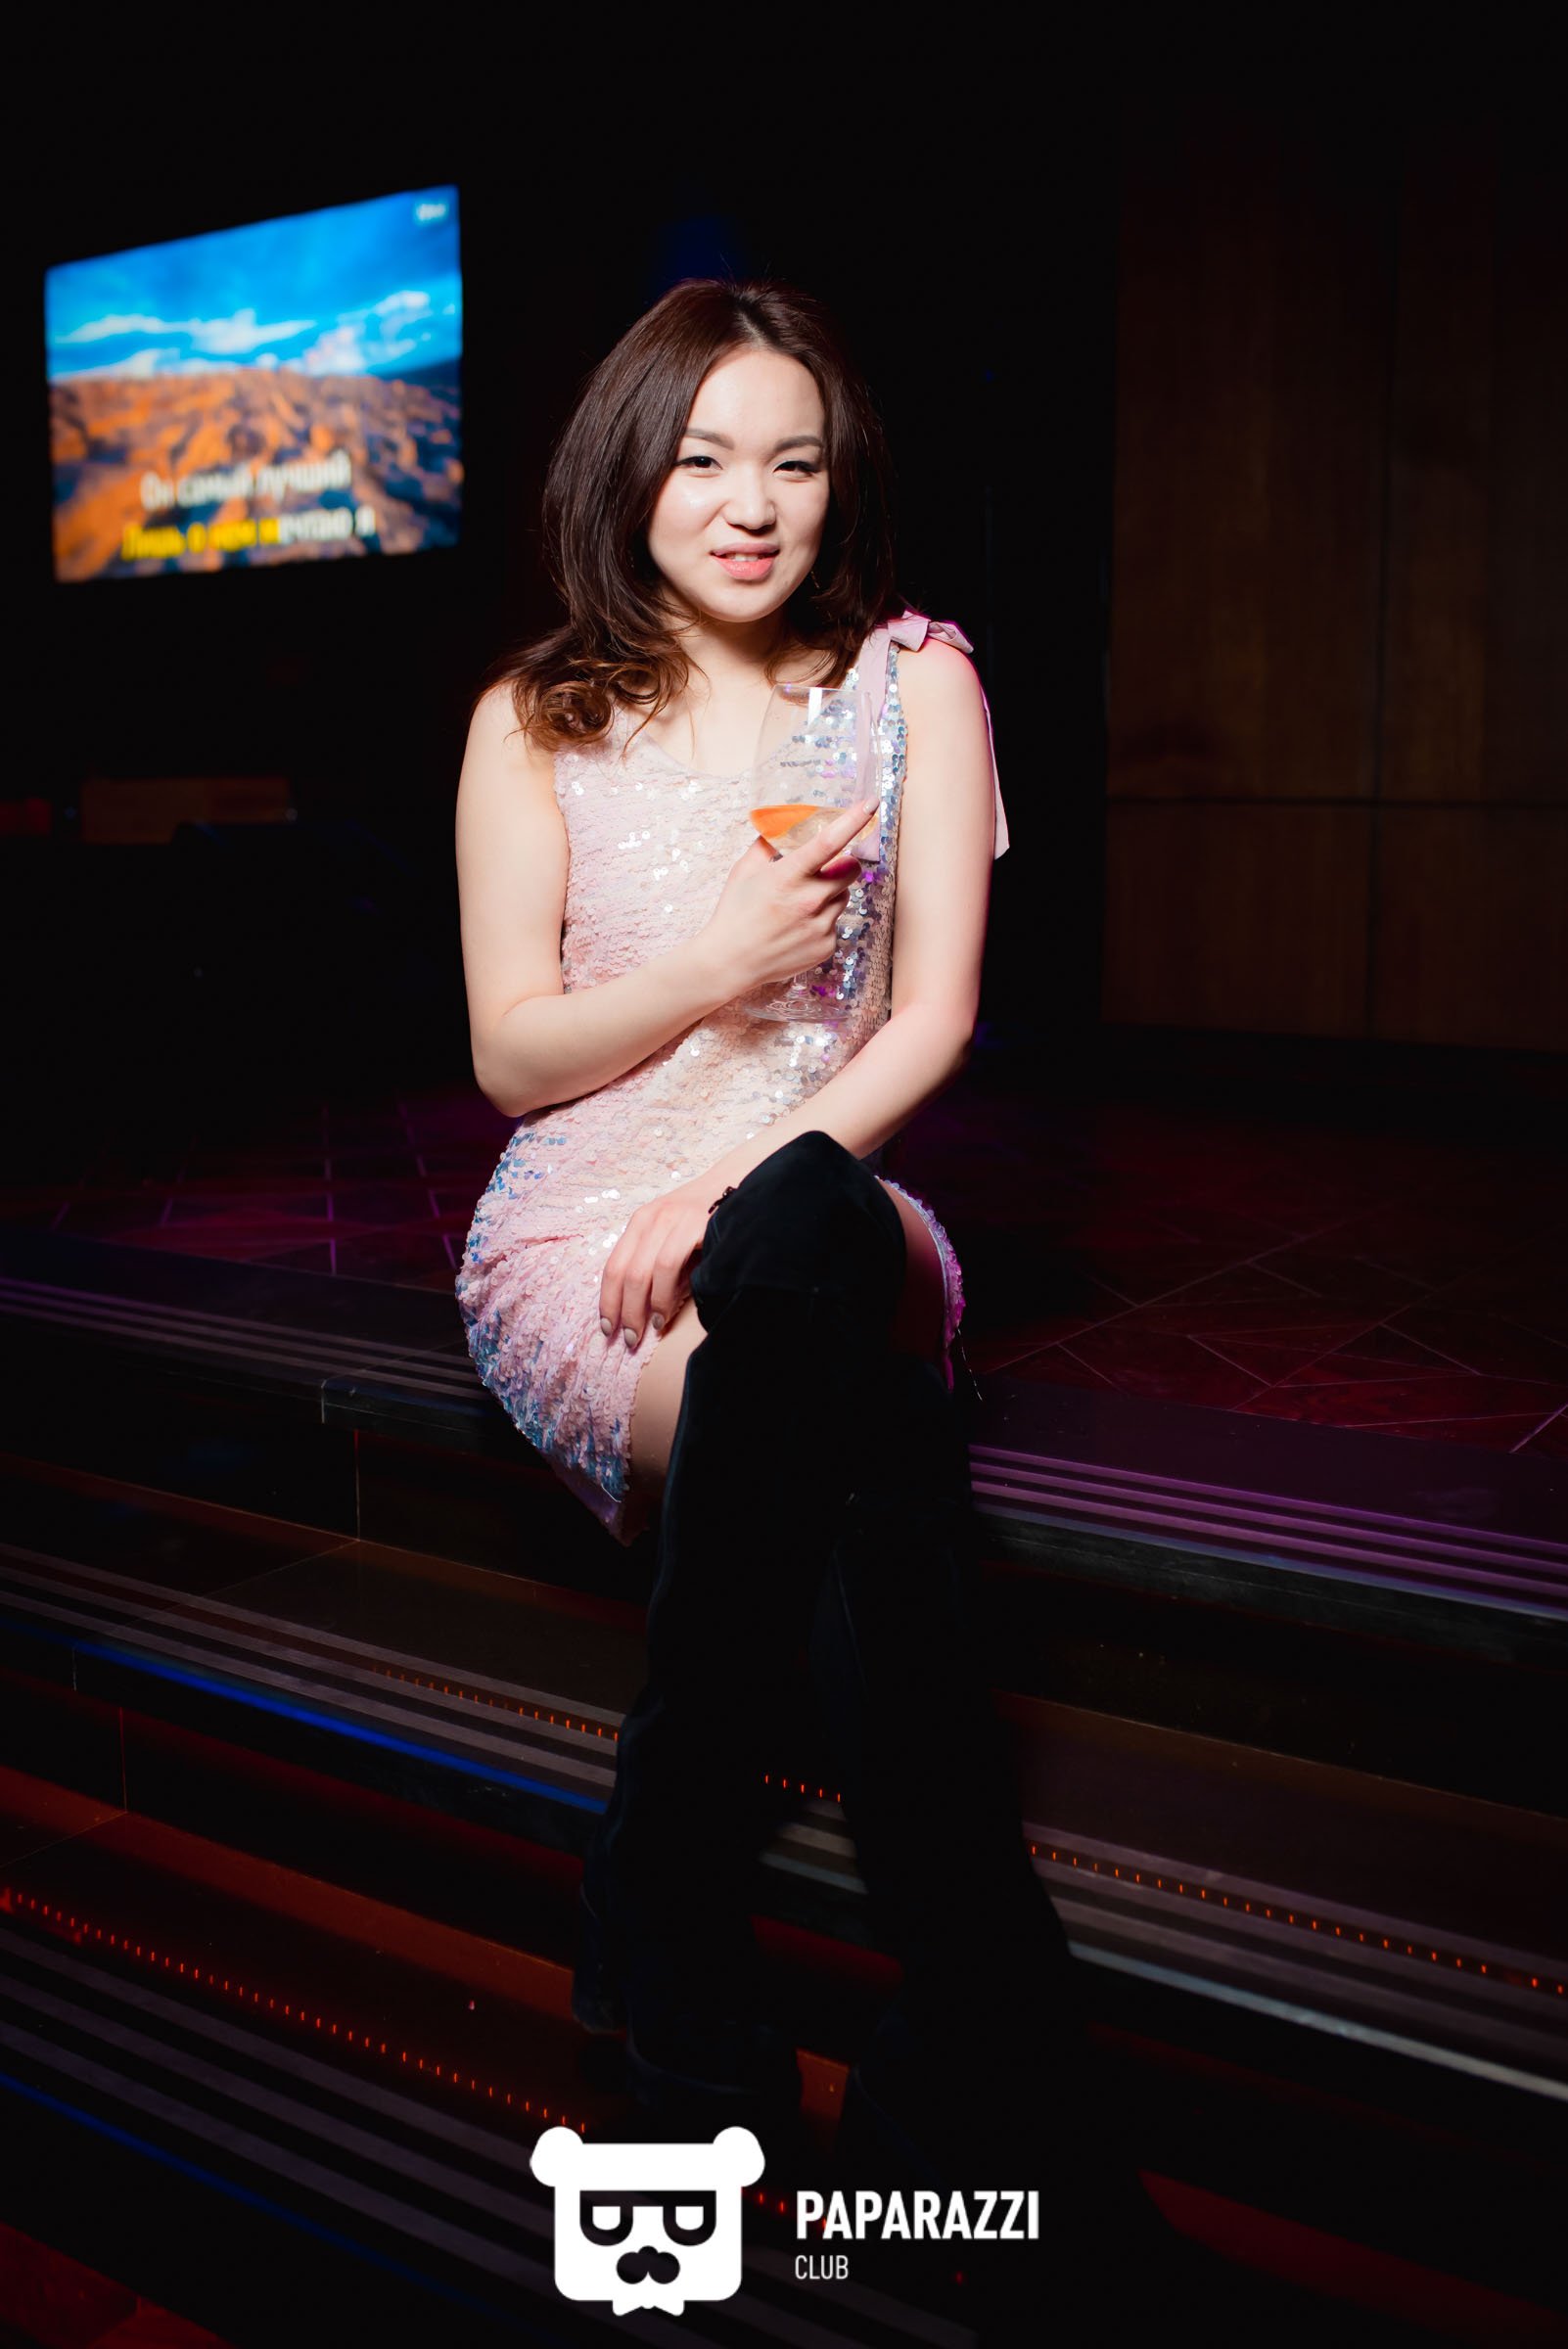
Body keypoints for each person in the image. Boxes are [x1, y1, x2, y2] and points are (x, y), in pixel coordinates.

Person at [452, 278, 1259, 2321]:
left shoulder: (913, 684)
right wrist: (717, 969)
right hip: (591, 1237)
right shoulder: (534, 715)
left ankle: (661, 1879)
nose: (751, 504)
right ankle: (982, 2035)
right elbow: (515, 1057)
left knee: (811, 1239)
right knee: (850, 1442)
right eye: (703, 459)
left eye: (793, 462)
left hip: (820, 1198)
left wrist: (752, 1182)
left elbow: (933, 1019)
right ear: (626, 475)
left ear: (838, 482)